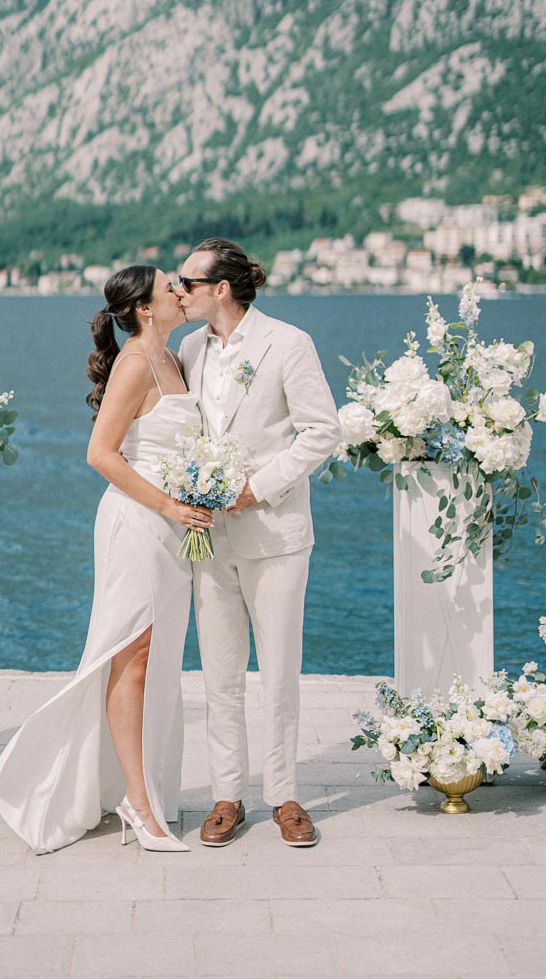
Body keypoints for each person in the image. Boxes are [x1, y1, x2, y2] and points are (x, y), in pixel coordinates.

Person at [0, 265, 213, 853]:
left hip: (172, 531)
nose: (180, 292)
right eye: (169, 288)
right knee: (130, 657)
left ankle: (142, 787)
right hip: (137, 523)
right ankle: (137, 802)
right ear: (144, 308)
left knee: (158, 660)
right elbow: (101, 454)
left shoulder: (173, 358)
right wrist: (170, 504)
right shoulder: (135, 363)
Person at [177, 238, 341, 847]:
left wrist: (257, 487)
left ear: (221, 288)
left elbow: (322, 431)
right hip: (209, 537)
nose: (178, 292)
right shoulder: (189, 349)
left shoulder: (288, 343)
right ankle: (227, 796)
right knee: (218, 674)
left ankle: (285, 796)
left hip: (275, 533)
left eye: (188, 283)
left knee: (278, 673)